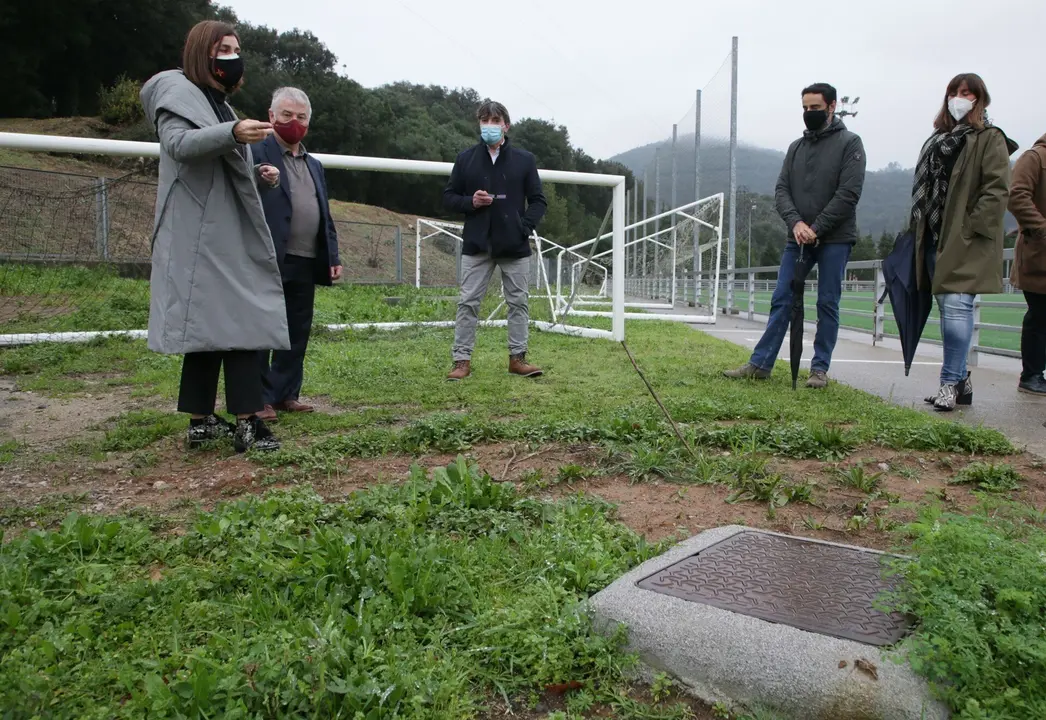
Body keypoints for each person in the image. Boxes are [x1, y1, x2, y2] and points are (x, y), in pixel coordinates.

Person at [140, 20, 287, 451]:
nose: (232, 56)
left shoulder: (218, 103)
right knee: (241, 322)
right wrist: (233, 134)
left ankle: (201, 420)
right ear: (201, 52)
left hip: (220, 230)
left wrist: (258, 173)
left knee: (207, 327)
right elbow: (180, 145)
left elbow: (220, 165)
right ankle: (248, 421)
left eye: (236, 48)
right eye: (224, 48)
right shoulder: (178, 95)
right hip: (203, 233)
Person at [724, 83, 866, 388]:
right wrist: (797, 224)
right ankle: (761, 363)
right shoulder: (796, 148)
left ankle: (819, 369)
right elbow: (781, 191)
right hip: (798, 237)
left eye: (815, 108)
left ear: (831, 107)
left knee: (827, 302)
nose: (809, 113)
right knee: (782, 299)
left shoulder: (850, 144)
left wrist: (817, 228)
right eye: (805, 108)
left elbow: (848, 193)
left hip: (835, 238)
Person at [912, 73, 1016, 411]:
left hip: (964, 238)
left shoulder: (989, 138)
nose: (960, 97)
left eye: (967, 93)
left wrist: (970, 229)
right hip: (932, 235)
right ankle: (961, 381)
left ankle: (948, 385)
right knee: (947, 311)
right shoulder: (937, 138)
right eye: (955, 92)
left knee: (957, 309)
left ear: (980, 99)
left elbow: (997, 189)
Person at [251, 87, 342, 421]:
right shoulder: (254, 152)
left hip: (306, 257)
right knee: (263, 327)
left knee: (296, 329)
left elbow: (324, 212)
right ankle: (257, 397)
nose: (294, 122)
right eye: (287, 115)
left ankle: (286, 393)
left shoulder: (314, 164)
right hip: (268, 255)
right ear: (271, 116)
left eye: (301, 117)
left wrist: (332, 255)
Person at [442, 100, 547, 381]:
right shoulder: (465, 159)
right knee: (468, 303)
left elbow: (538, 201)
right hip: (477, 244)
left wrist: (523, 227)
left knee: (518, 302)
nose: (489, 125)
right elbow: (449, 196)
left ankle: (518, 358)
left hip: (514, 246)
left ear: (506, 125)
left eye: (494, 120)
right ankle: (461, 361)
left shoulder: (524, 160)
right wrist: (470, 201)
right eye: (484, 120)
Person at [1008, 132, 1046, 396]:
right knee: (1040, 315)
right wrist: (1043, 228)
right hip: (1038, 254)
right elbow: (1017, 196)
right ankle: (1031, 375)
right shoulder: (1034, 158)